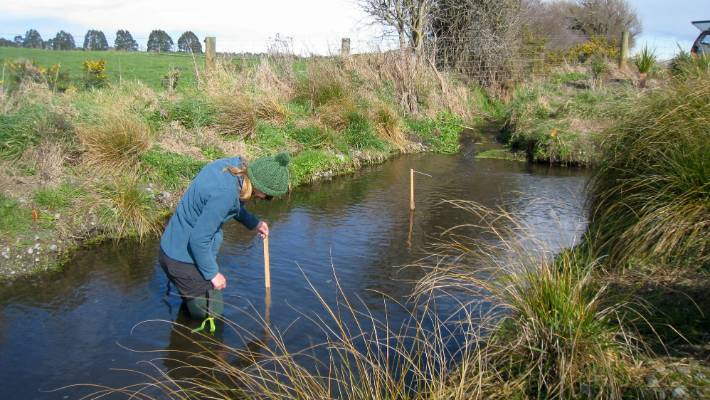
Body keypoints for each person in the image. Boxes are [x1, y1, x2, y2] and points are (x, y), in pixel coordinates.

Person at [159, 152, 290, 320]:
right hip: (182, 260)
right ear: (260, 188)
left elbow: (231, 206)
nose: (265, 198)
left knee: (192, 310)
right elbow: (199, 239)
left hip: (171, 247)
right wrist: (213, 274)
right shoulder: (227, 193)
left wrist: (254, 223)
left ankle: (183, 336)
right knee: (213, 317)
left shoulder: (230, 169)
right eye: (268, 196)